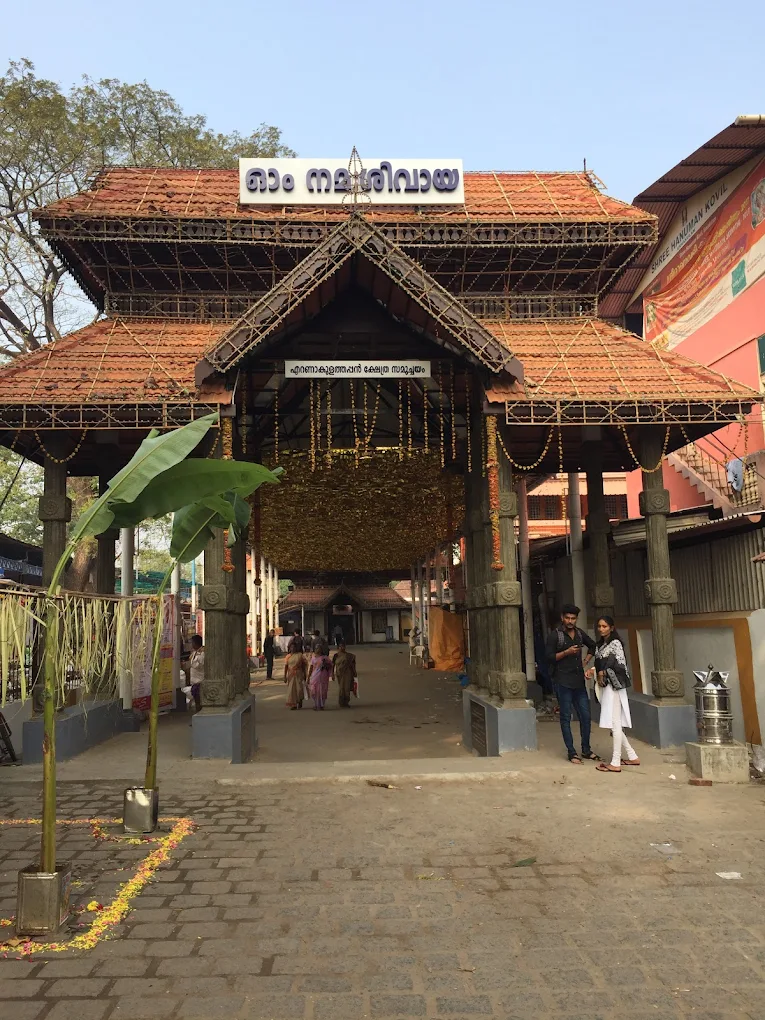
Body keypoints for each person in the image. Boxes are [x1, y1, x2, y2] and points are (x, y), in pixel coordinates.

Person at [545, 603, 599, 764]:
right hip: (562, 682)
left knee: (585, 716)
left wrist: (586, 660)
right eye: (567, 618)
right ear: (562, 618)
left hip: (579, 682)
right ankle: (571, 752)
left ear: (576, 619)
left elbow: (593, 646)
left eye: (573, 618)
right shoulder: (556, 636)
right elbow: (548, 657)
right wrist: (566, 653)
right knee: (566, 717)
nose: (570, 621)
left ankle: (586, 750)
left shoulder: (580, 634)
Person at [588, 616, 640, 773]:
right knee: (614, 723)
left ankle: (616, 762)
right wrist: (592, 670)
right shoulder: (601, 645)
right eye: (599, 626)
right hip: (607, 687)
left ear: (611, 627)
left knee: (615, 724)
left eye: (604, 626)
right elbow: (599, 665)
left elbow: (614, 665)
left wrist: (601, 670)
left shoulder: (615, 644)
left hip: (615, 687)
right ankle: (632, 756)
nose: (601, 629)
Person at [308, 646, 333, 710]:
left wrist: (325, 665)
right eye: (316, 649)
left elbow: (330, 665)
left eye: (319, 648)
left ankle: (321, 705)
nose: (318, 650)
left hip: (323, 676)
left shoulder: (325, 658)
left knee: (322, 690)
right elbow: (311, 668)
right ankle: (316, 704)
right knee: (314, 690)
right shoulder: (313, 658)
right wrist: (308, 677)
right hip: (315, 676)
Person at [332, 643, 357, 707]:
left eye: (343, 646)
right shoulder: (336, 656)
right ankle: (341, 702)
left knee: (347, 687)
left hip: (348, 673)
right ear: (338, 648)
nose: (342, 648)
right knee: (341, 688)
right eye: (340, 647)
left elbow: (353, 665)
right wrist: (332, 674)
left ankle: (346, 702)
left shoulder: (349, 656)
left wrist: (354, 672)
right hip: (339, 674)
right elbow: (333, 665)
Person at [283, 646, 307, 710]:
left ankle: (299, 700)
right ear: (289, 649)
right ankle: (293, 704)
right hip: (291, 675)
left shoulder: (300, 656)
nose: (293, 648)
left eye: (294, 647)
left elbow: (304, 665)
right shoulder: (288, 657)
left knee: (299, 689)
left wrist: (305, 674)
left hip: (299, 674)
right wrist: (284, 676)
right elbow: (286, 666)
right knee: (292, 690)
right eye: (291, 647)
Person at [184, 634, 204, 711]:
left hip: (200, 682)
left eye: (192, 643)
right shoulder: (194, 653)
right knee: (196, 702)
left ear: (196, 643)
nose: (191, 645)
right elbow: (190, 664)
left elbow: (200, 664)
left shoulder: (202, 654)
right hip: (194, 682)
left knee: (200, 703)